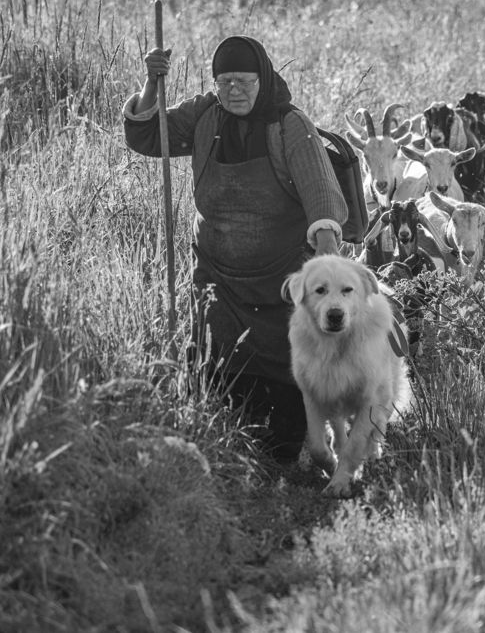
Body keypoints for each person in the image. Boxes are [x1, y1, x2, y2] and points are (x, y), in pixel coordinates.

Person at [122, 35, 347, 461]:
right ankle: (225, 444)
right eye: (224, 82)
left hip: (281, 279)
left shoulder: (290, 125)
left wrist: (328, 262)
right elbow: (148, 137)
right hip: (217, 277)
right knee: (217, 353)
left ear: (262, 77)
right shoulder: (205, 114)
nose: (234, 90)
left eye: (243, 80)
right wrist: (152, 84)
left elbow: (322, 194)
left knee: (287, 361)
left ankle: (284, 452)